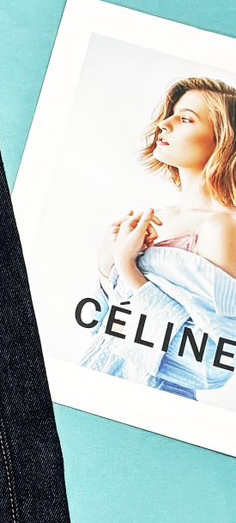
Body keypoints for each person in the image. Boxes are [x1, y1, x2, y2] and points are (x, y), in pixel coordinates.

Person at [81, 76, 236, 398]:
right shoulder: (155, 218)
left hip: (150, 403)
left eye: (186, 119)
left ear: (223, 139)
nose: (164, 124)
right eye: (171, 115)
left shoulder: (221, 229)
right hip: (91, 385)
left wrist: (129, 271)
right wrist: (106, 267)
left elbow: (215, 363)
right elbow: (97, 328)